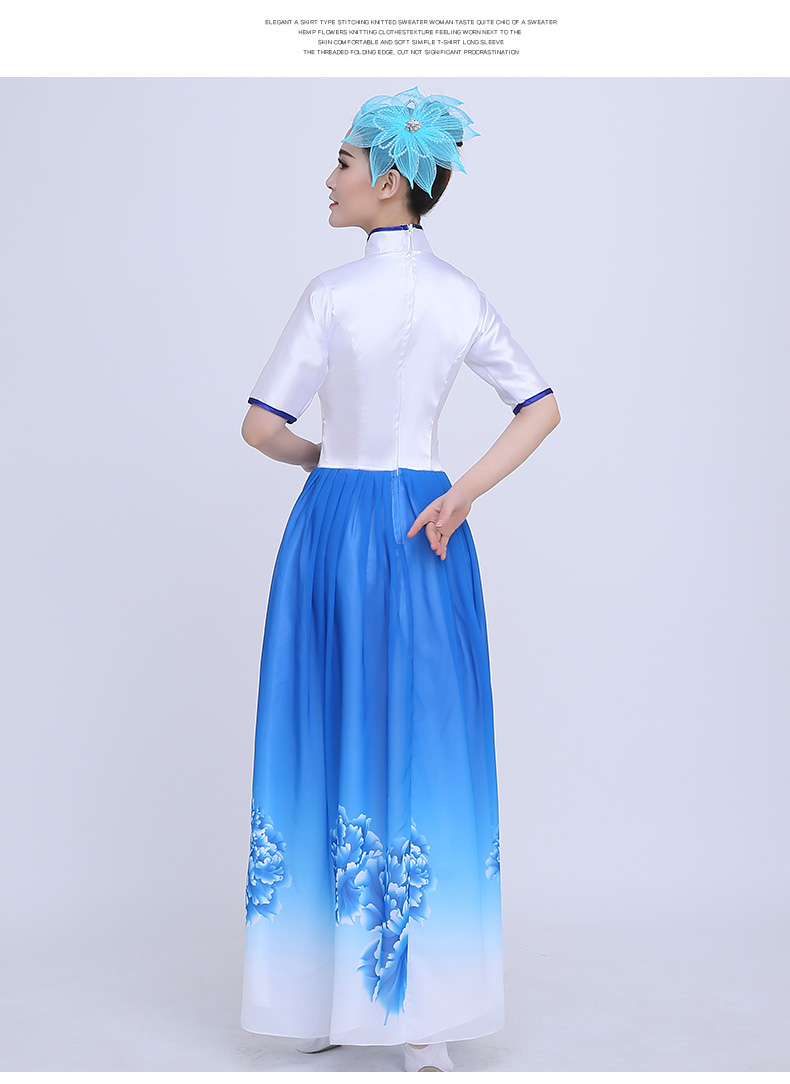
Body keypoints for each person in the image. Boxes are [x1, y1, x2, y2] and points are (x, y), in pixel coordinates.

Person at [239, 87, 561, 1073]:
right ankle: (426, 1020)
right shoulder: (460, 294)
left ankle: (323, 998)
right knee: (425, 740)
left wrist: (322, 462)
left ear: (388, 179)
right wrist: (460, 493)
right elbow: (540, 407)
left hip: (334, 524)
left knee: (324, 728)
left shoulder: (330, 295)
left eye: (342, 162)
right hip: (427, 522)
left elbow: (259, 427)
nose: (328, 178)